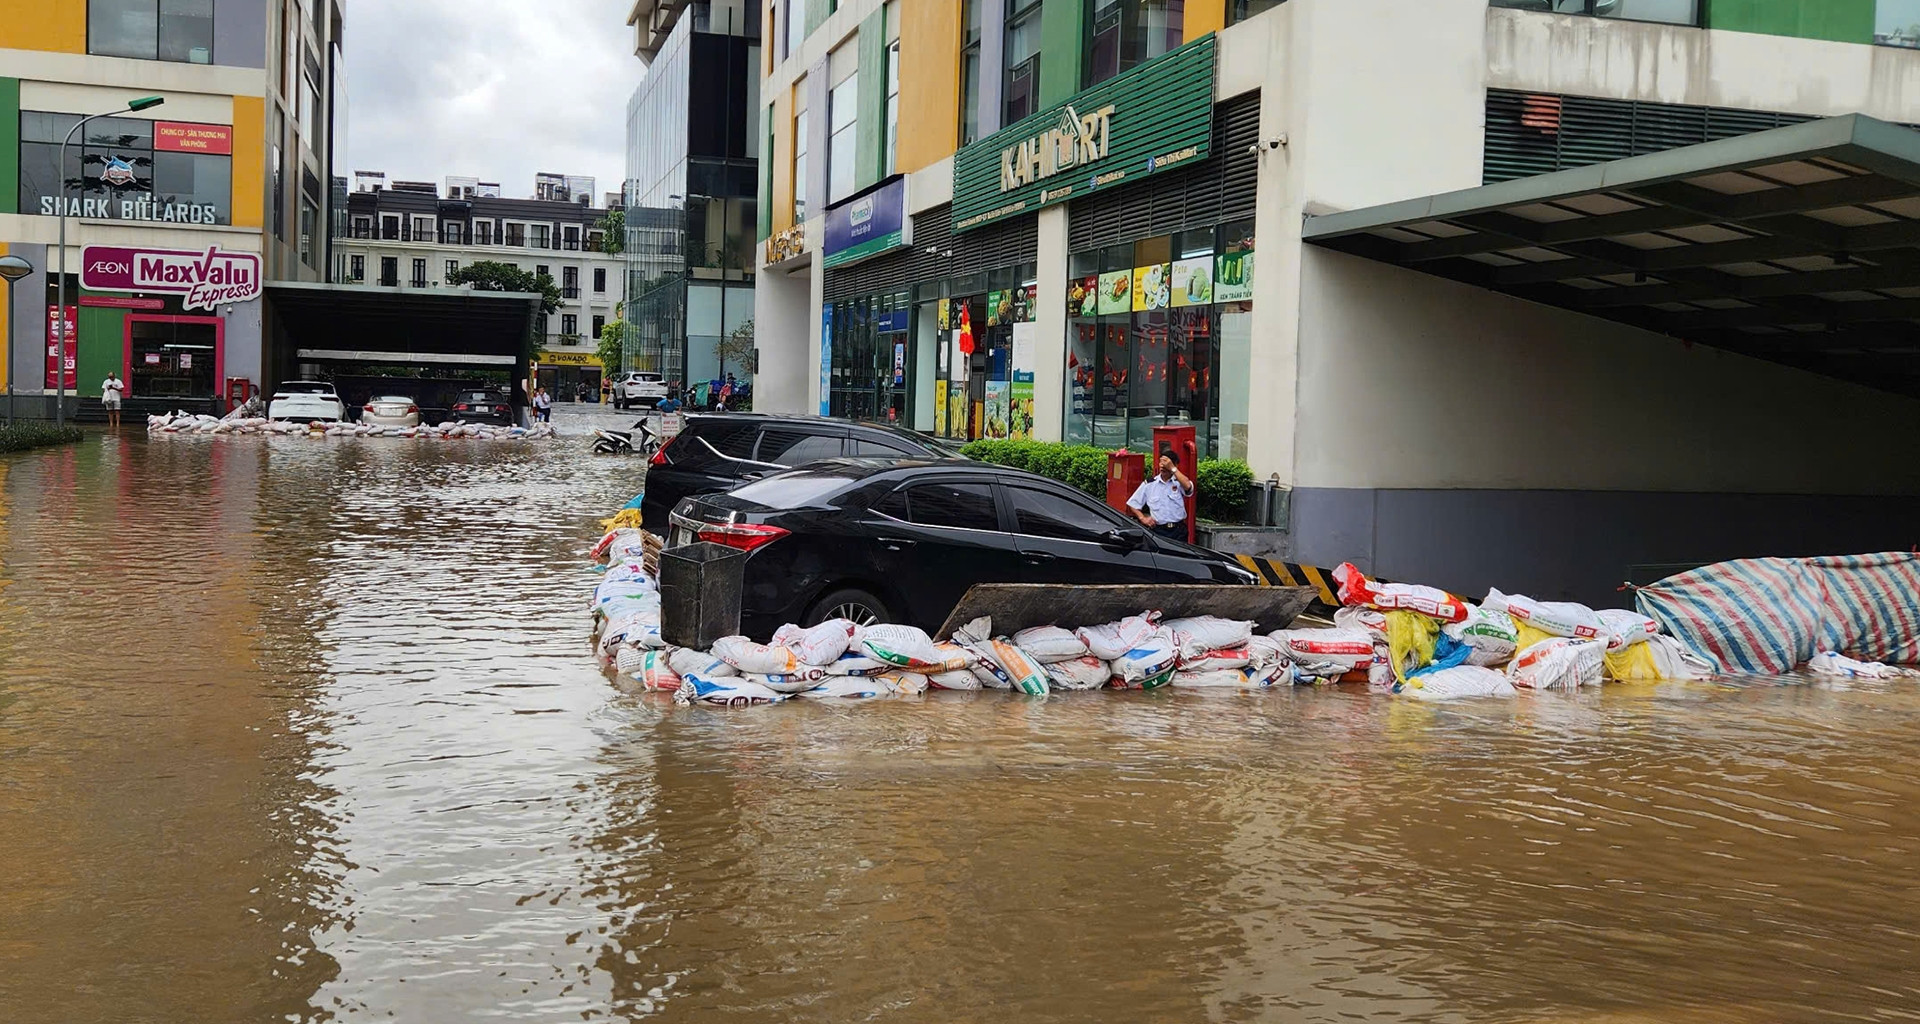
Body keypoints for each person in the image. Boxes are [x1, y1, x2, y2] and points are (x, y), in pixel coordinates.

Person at [1127, 447, 1195, 541]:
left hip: (1178, 530)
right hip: (1158, 531)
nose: (1162, 466)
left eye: (1166, 464)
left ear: (1174, 465)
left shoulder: (1179, 482)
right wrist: (1143, 518)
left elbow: (1188, 486)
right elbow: (1133, 504)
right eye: (1161, 463)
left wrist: (1172, 468)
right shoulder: (1150, 484)